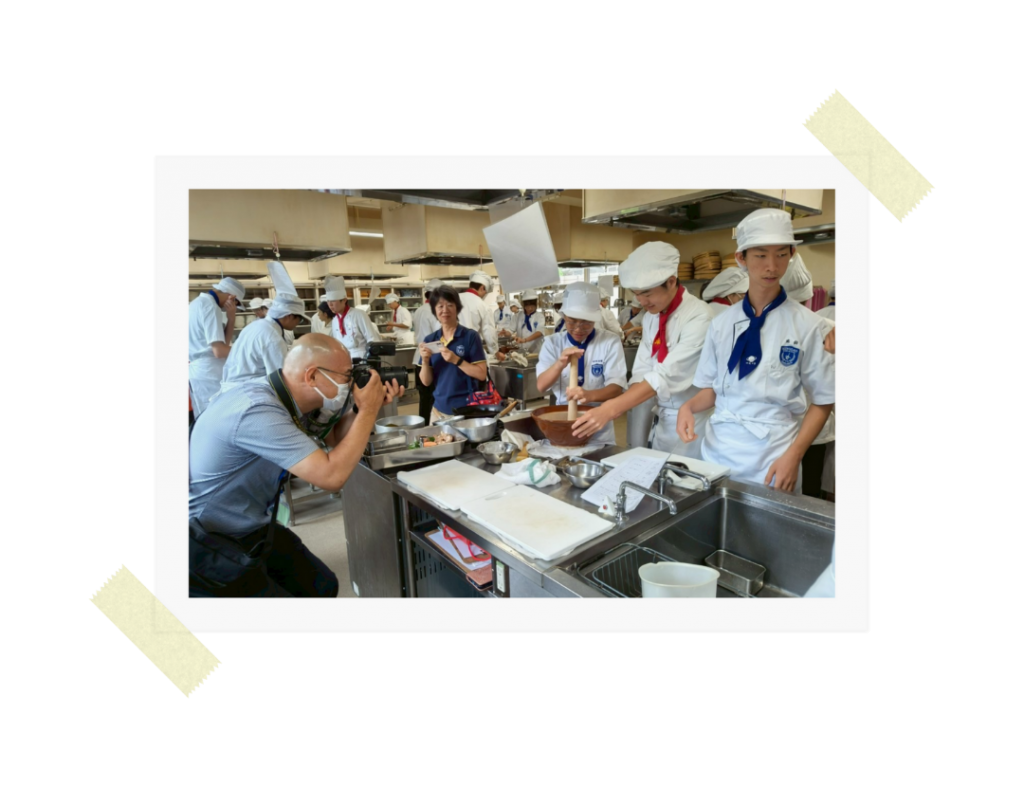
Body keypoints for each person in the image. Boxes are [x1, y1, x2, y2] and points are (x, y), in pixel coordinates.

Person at [189, 333, 405, 597]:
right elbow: (331, 475)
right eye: (347, 375)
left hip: (253, 523)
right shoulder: (258, 411)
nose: (351, 383)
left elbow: (335, 436)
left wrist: (363, 409)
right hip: (209, 539)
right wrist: (369, 411)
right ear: (312, 376)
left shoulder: (286, 396)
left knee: (322, 585)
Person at [675, 208, 834, 494]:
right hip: (717, 450)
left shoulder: (808, 325)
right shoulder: (722, 323)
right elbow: (713, 389)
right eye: (760, 255)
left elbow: (823, 400)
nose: (772, 266)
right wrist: (687, 406)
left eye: (781, 254)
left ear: (791, 255)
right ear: (741, 258)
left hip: (773, 455)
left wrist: (794, 455)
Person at [571, 242, 713, 458]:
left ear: (671, 281)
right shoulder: (651, 318)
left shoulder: (699, 316)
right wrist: (623, 405)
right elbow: (643, 369)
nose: (641, 301)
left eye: (647, 293)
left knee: (689, 481)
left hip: (693, 423)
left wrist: (612, 408)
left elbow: (667, 374)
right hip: (663, 419)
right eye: (637, 294)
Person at [536, 284, 627, 445]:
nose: (578, 328)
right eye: (572, 322)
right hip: (563, 420)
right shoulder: (552, 343)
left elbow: (616, 387)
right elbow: (541, 386)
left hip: (599, 424)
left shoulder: (609, 341)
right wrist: (559, 364)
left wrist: (589, 396)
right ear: (564, 317)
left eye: (586, 322)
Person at [418, 285, 488, 424]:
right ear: (434, 311)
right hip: (438, 411)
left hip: (466, 411)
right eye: (440, 306)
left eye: (450, 305)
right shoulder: (430, 340)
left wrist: (456, 360)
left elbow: (481, 374)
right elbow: (426, 382)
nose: (445, 310)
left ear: (457, 308)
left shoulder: (470, 337)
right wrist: (425, 361)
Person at [217, 294, 308, 397]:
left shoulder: (255, 326)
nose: (298, 324)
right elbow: (280, 380)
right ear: (289, 316)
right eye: (299, 320)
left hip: (234, 389)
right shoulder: (272, 337)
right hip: (249, 393)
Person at [189, 277, 245, 419]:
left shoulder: (199, 303)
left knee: (206, 418)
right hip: (208, 372)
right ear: (232, 297)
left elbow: (222, 345)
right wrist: (249, 351)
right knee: (215, 418)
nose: (234, 306)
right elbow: (219, 351)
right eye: (236, 303)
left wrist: (231, 318)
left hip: (204, 370)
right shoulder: (210, 306)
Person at [324, 274, 381, 361]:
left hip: (362, 357)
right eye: (328, 301)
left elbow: (373, 340)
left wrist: (369, 360)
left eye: (333, 301)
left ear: (344, 300)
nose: (330, 305)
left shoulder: (359, 315)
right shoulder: (335, 320)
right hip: (344, 359)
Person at [412, 279, 443, 422]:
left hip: (418, 359)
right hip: (430, 361)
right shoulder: (434, 310)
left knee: (424, 399)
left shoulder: (419, 310)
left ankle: (422, 427)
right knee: (432, 400)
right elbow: (440, 336)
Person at [459, 270, 500, 357]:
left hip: (451, 350)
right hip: (471, 351)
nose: (484, 295)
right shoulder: (483, 306)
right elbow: (489, 333)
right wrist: (495, 351)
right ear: (482, 288)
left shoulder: (453, 299)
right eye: (485, 292)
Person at [511, 289, 545, 354]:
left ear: (536, 304)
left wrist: (524, 340)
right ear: (523, 305)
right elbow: (510, 329)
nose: (529, 308)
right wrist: (505, 332)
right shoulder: (518, 316)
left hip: (536, 352)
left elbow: (539, 333)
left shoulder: (540, 316)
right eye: (527, 306)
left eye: (532, 306)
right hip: (522, 351)